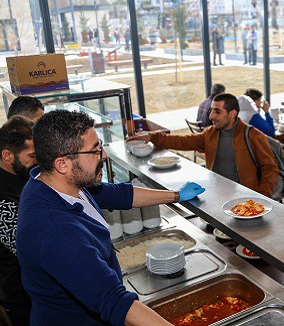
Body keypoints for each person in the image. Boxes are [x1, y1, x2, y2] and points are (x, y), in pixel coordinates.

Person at [17, 110, 204, 325]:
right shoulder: (57, 231)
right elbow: (114, 301)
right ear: (62, 164)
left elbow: (118, 194)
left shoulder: (51, 184)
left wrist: (177, 195)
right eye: (95, 151)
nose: (103, 155)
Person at [139, 93, 278, 197]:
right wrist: (152, 136)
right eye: (211, 110)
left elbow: (270, 168)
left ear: (233, 114)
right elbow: (183, 141)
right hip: (216, 194)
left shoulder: (253, 135)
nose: (211, 116)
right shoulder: (210, 133)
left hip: (245, 198)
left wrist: (263, 196)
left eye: (217, 111)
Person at [0, 116, 38, 325]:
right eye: (32, 155)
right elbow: (34, 251)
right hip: (26, 304)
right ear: (7, 155)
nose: (38, 160)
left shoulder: (26, 180)